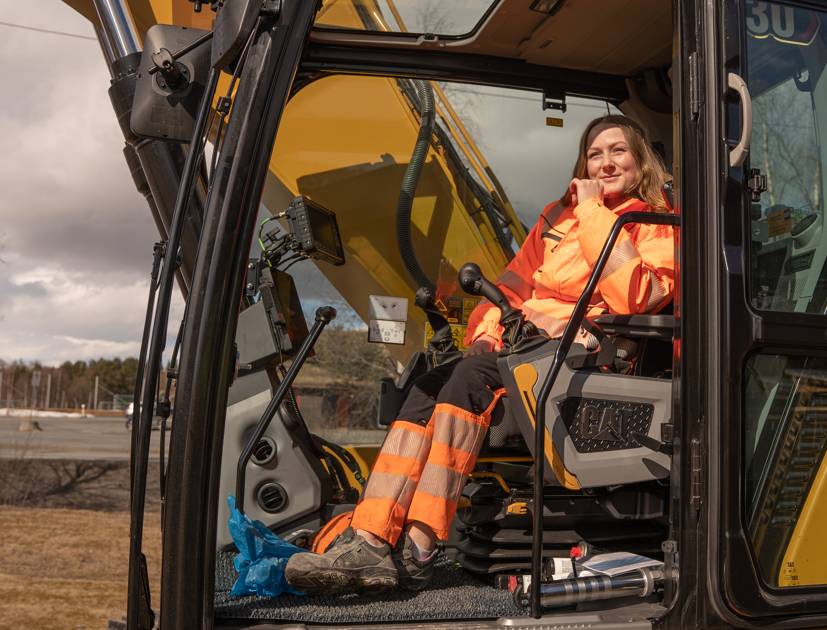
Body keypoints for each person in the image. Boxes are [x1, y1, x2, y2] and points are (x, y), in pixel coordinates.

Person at [285, 114, 676, 595]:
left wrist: (595, 212)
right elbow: (512, 284)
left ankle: (419, 545)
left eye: (618, 151)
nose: (605, 162)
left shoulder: (651, 222)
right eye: (595, 154)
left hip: (582, 358)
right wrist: (489, 330)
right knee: (428, 386)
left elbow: (639, 297)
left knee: (467, 380)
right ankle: (370, 536)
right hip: (525, 345)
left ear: (640, 158)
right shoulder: (556, 218)